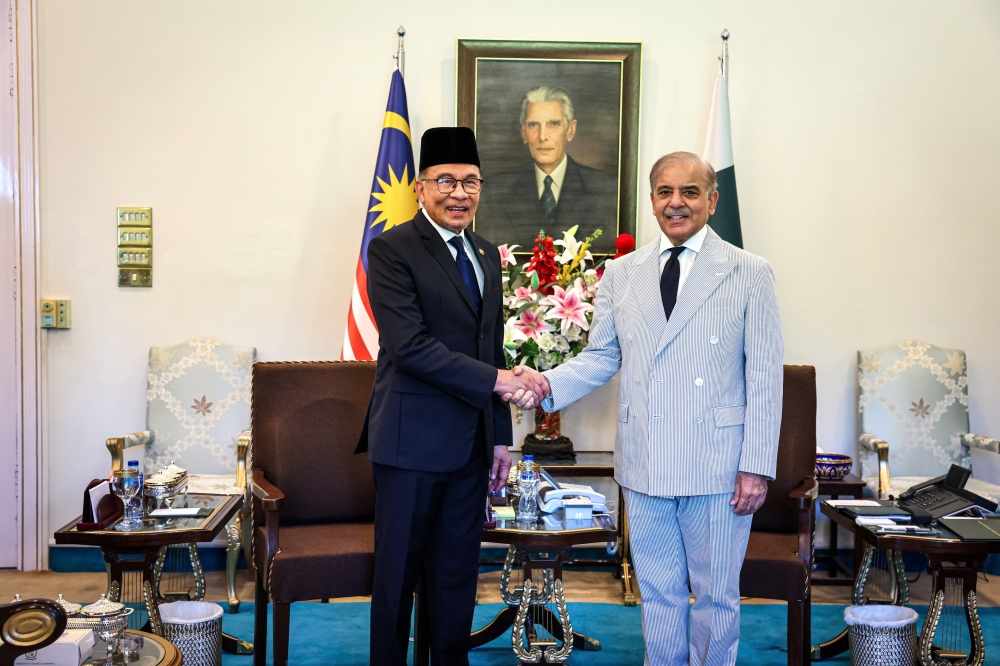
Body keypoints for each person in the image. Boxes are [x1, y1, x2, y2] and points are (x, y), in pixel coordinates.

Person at [514, 152, 783, 666]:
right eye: (665, 192)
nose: (676, 203)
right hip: (646, 456)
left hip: (720, 463)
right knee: (656, 594)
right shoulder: (621, 273)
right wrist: (545, 383)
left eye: (689, 192)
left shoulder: (750, 272)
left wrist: (756, 465)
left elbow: (765, 377)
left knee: (716, 596)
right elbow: (602, 357)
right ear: (652, 200)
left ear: (712, 199)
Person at [356, 126, 546, 666]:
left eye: (470, 182)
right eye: (446, 181)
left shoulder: (486, 253)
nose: (459, 193)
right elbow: (410, 346)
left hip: (470, 446)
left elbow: (492, 346)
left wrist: (501, 439)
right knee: (397, 580)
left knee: (456, 576)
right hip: (409, 446)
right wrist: (500, 382)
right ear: (420, 187)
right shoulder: (391, 249)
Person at [474, 86, 618, 251]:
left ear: (570, 130)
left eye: (554, 124)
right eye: (533, 125)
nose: (542, 136)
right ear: (523, 132)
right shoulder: (495, 192)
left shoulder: (606, 189)